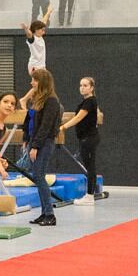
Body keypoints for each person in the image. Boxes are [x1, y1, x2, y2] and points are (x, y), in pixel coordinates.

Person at [20, 67, 63, 227]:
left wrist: (36, 146)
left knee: (39, 176)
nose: (31, 82)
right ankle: (44, 212)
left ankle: (50, 214)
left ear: (42, 82)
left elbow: (45, 126)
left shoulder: (51, 101)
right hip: (34, 141)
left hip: (44, 143)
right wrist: (26, 139)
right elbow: (28, 120)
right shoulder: (37, 99)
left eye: (34, 79)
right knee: (37, 177)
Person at [62, 75, 103, 204]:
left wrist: (63, 127)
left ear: (91, 88)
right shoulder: (87, 101)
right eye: (80, 85)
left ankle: (89, 196)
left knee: (90, 167)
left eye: (85, 86)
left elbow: (79, 118)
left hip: (89, 138)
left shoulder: (90, 101)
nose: (82, 88)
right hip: (86, 138)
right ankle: (90, 194)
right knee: (89, 166)